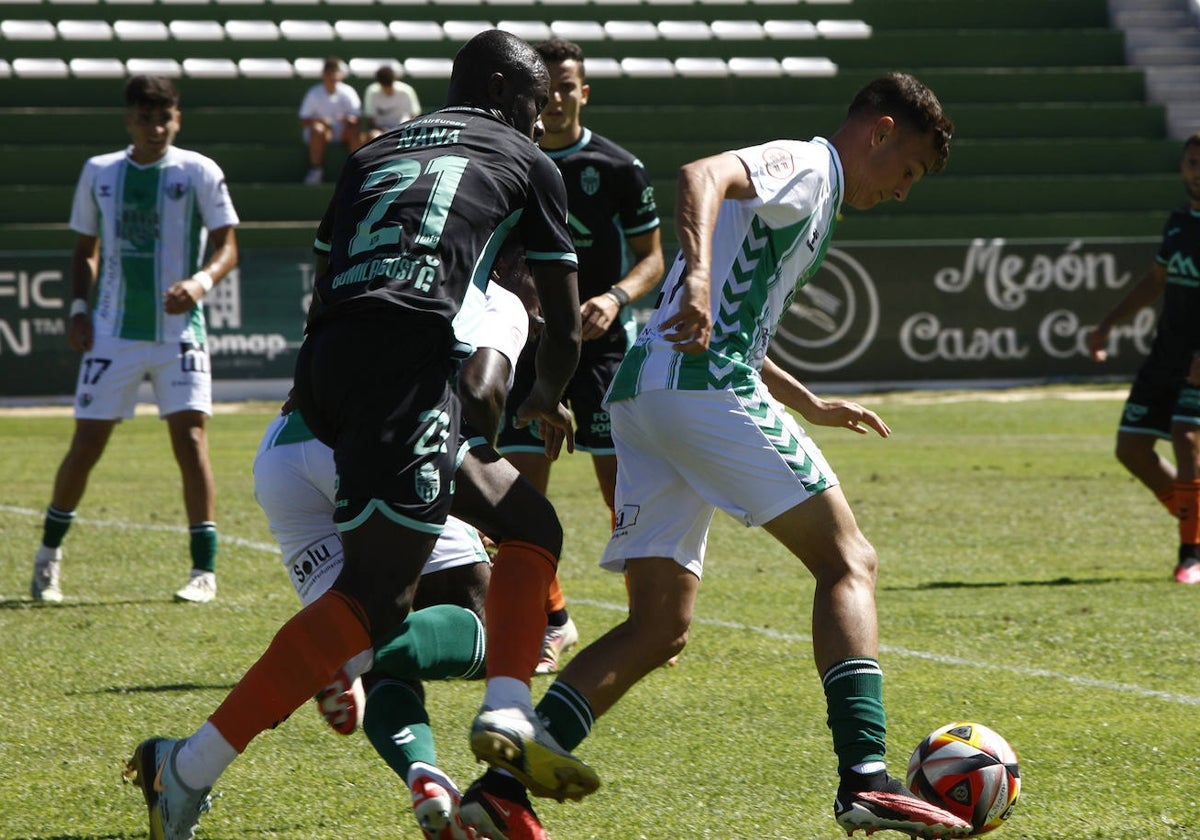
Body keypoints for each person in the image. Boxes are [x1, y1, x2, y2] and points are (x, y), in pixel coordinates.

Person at [468, 72, 975, 839]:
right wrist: (698, 270)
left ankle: (501, 792)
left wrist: (809, 404)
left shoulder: (817, 198)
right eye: (908, 171)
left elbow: (734, 321)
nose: (904, 191)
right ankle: (865, 776)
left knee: (658, 626)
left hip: (647, 394)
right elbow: (702, 175)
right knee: (849, 564)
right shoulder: (810, 167)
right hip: (698, 389)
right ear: (880, 132)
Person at [125, 30, 591, 840]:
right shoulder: (526, 160)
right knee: (378, 603)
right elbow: (563, 320)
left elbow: (324, 274)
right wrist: (545, 396)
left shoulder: (375, 152)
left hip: (329, 367)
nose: (542, 117)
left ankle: (505, 712)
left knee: (526, 523)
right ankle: (187, 765)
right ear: (505, 92)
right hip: (405, 363)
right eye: (535, 101)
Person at [251, 246, 531, 840]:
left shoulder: (390, 257)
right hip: (381, 442)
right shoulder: (500, 297)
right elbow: (478, 397)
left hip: (284, 449)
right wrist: (480, 489)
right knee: (494, 621)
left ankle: (424, 775)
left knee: (371, 610)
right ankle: (350, 657)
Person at [30, 74, 239, 605]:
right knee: (86, 447)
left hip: (179, 333)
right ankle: (48, 559)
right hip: (113, 333)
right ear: (130, 120)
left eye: (165, 116)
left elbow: (227, 245)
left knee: (191, 443)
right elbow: (84, 251)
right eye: (146, 118)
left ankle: (203, 571)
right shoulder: (100, 173)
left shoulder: (198, 171)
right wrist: (79, 310)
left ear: (178, 118)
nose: (157, 127)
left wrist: (199, 282)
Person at [497, 38, 664, 674]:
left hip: (599, 352)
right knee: (512, 497)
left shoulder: (617, 167)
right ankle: (554, 621)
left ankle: (645, 621)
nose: (560, 98)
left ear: (584, 92)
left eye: (570, 86)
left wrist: (617, 297)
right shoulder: (509, 161)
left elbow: (653, 257)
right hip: (525, 349)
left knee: (621, 495)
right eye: (549, 89)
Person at [1086, 133, 1200, 585]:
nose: (1198, 170)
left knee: (1185, 436)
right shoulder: (1178, 223)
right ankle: (1196, 523)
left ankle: (1191, 552)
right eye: (1192, 162)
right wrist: (1107, 323)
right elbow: (1155, 280)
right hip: (1165, 353)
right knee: (1131, 448)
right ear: (1182, 167)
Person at [299, 56, 362, 186]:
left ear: (340, 75)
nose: (332, 77)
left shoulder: (348, 91)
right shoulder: (314, 93)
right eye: (329, 73)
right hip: (323, 134)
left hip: (342, 132)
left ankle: (356, 171)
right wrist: (320, 121)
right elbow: (304, 119)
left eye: (334, 72)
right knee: (317, 129)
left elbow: (356, 117)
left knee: (354, 130)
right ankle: (315, 170)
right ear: (323, 74)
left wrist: (349, 120)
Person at [362, 62, 423, 143]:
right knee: (373, 136)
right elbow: (370, 120)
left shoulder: (406, 91)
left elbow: (414, 116)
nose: (388, 90)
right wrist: (382, 130)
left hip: (402, 130)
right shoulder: (372, 92)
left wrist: (400, 130)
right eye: (385, 86)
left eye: (389, 85)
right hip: (380, 131)